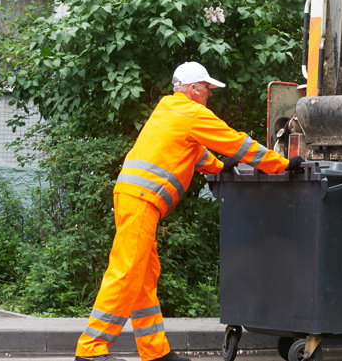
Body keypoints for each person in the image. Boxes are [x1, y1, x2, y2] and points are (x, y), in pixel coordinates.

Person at [75, 62, 302, 361]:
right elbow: (237, 142)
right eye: (207, 88)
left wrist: (221, 167)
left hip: (133, 197)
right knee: (128, 271)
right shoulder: (191, 113)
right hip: (142, 200)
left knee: (143, 276)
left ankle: (155, 352)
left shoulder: (169, 110)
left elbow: (193, 152)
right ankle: (91, 350)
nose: (210, 94)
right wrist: (281, 165)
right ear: (193, 89)